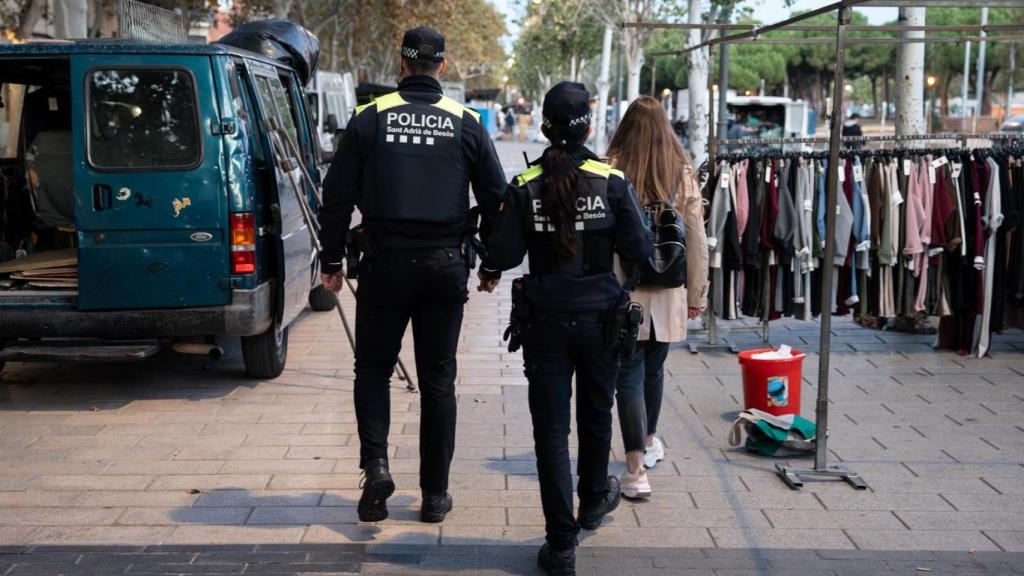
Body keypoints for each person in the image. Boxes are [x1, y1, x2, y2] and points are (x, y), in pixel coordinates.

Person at [318, 26, 507, 525]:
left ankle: (376, 468)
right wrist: (492, 264)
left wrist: (331, 260)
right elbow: (497, 199)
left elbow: (336, 196)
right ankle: (435, 495)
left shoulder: (369, 117)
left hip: (384, 265)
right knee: (438, 380)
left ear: (401, 64)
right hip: (444, 266)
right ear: (441, 66)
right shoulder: (467, 122)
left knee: (373, 369)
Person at [480, 82, 654, 576]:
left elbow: (503, 253)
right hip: (601, 320)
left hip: (546, 322)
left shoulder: (525, 184)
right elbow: (641, 249)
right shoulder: (611, 181)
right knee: (596, 416)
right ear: (588, 127)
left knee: (551, 433)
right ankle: (593, 500)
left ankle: (561, 545)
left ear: (544, 126)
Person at [605, 96, 709, 499]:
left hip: (622, 287)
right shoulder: (680, 171)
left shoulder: (610, 167)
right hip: (668, 288)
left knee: (628, 373)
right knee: (654, 368)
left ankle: (635, 472)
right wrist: (697, 292)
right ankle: (648, 442)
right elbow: (695, 236)